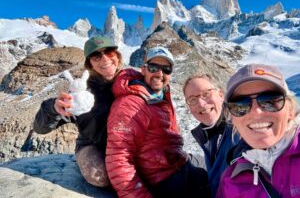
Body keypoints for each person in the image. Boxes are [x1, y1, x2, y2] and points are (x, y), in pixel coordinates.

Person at [105, 46, 210, 198]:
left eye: (166, 69)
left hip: (176, 163)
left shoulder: (160, 95)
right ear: (143, 69)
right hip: (163, 179)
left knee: (219, 167)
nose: (160, 74)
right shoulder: (131, 104)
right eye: (153, 67)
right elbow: (119, 157)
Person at [33, 36, 122, 188]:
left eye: (109, 51)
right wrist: (53, 108)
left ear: (117, 55)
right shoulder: (82, 93)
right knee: (101, 175)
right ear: (90, 64)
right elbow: (40, 128)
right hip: (93, 146)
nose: (105, 59)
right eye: (96, 56)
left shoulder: (132, 81)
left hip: (127, 146)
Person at [216, 64, 300, 198]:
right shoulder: (230, 180)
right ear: (233, 119)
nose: (256, 112)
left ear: (290, 111)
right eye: (240, 105)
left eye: (270, 100)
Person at [183, 74, 238, 197]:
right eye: (192, 100)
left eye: (206, 94)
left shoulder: (240, 129)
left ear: (220, 95)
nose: (201, 104)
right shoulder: (210, 133)